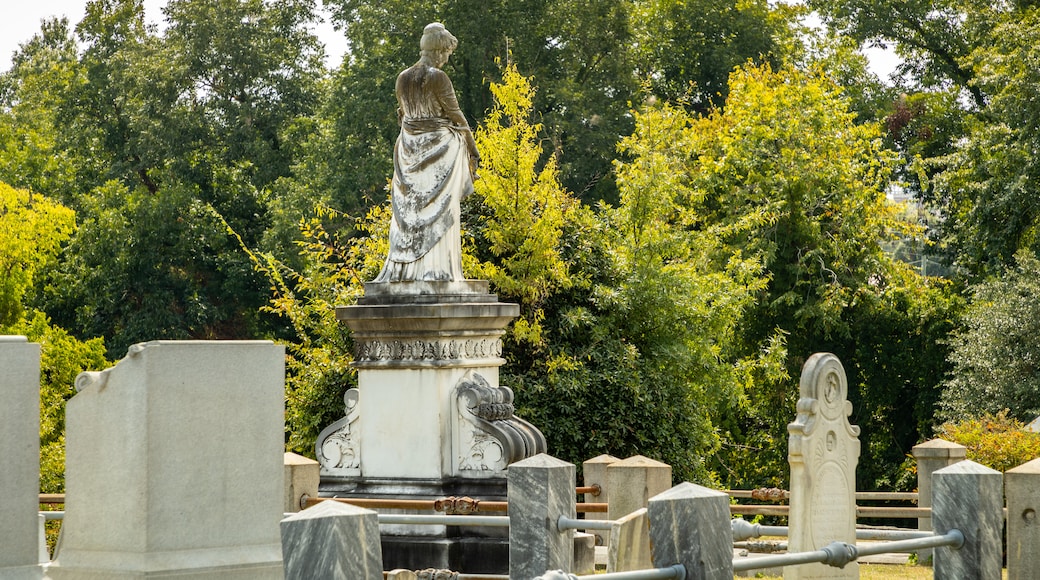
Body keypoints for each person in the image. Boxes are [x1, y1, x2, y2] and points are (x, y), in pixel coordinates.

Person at [374, 22, 480, 283]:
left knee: (410, 213)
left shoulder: (402, 78)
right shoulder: (437, 77)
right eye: (447, 53)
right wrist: (472, 147)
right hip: (439, 151)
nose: (446, 59)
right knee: (440, 212)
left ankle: (408, 270)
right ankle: (438, 269)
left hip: (409, 149)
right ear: (439, 50)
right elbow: (456, 117)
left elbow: (404, 116)